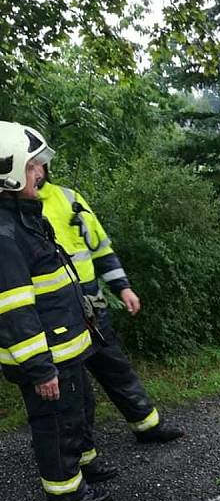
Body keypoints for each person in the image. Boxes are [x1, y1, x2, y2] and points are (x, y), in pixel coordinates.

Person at [0, 121, 112, 501]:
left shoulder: (25, 217)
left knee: (78, 410)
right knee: (55, 423)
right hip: (46, 355)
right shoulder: (5, 233)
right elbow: (14, 311)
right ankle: (65, 492)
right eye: (33, 166)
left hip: (65, 344)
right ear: (10, 171)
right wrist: (40, 368)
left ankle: (81, 469)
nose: (41, 173)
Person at [38, 175, 184, 449]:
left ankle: (147, 425)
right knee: (72, 387)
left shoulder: (68, 198)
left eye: (39, 164)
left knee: (115, 366)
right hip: (53, 311)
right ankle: (76, 454)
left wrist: (123, 288)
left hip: (90, 302)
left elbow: (100, 247)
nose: (36, 171)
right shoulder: (16, 210)